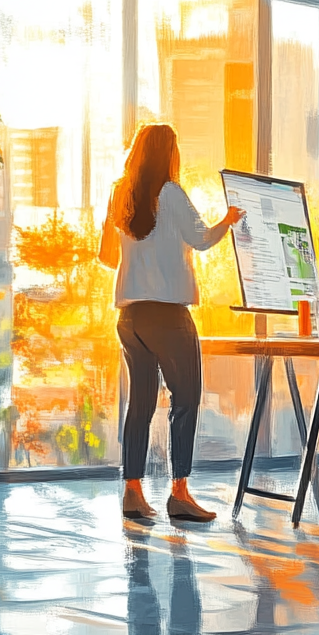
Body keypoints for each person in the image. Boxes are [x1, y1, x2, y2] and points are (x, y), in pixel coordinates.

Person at [99, 123, 242, 523]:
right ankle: (179, 493)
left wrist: (140, 258)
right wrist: (228, 219)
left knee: (141, 404)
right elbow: (202, 239)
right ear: (169, 154)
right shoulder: (171, 192)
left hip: (130, 317)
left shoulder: (119, 192)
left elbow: (107, 256)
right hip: (168, 315)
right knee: (186, 400)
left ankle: (132, 492)